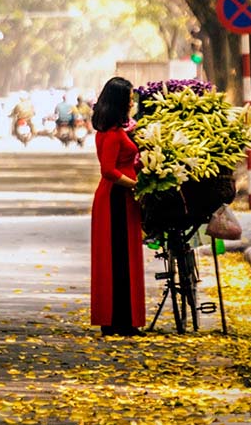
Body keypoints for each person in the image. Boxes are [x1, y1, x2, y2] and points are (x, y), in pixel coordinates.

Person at [90, 76, 145, 337]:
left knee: (121, 258)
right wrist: (134, 185)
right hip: (116, 198)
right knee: (118, 259)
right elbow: (109, 170)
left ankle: (121, 319)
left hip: (119, 198)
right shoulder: (111, 134)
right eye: (130, 98)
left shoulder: (113, 130)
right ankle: (118, 320)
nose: (132, 102)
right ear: (120, 102)